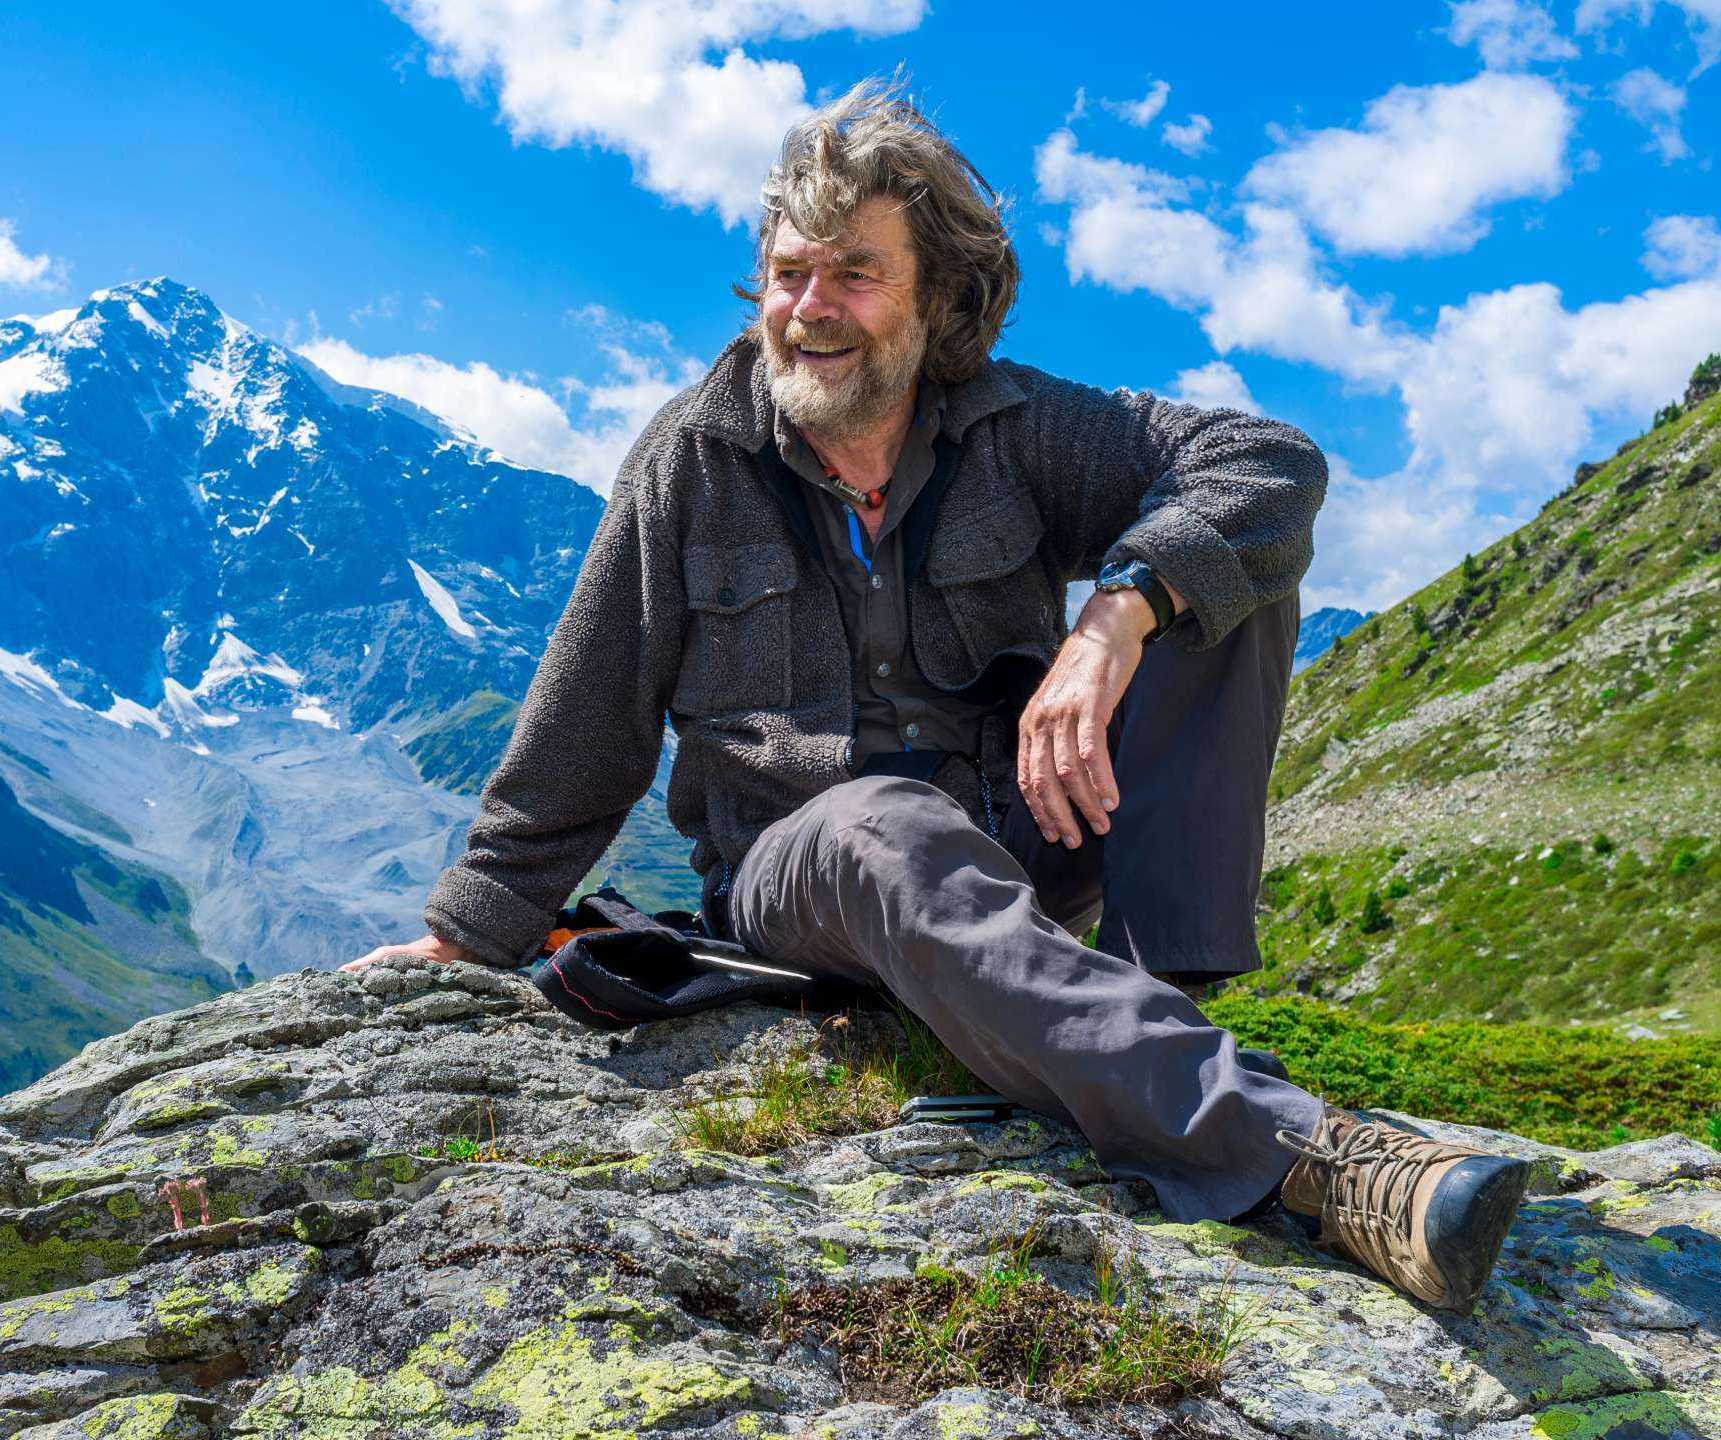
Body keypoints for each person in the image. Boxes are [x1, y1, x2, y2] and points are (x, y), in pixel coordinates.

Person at [346, 77, 1529, 1315]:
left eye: (852, 274)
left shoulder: (1014, 431)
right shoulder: (690, 458)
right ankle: (1313, 1163)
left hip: (1023, 827)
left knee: (1220, 575)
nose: (808, 310)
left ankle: (1143, 1014)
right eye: (790, 273)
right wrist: (468, 930)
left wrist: (1117, 613)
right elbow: (584, 718)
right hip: (803, 875)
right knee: (879, 822)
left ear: (939, 300)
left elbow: (1269, 463)